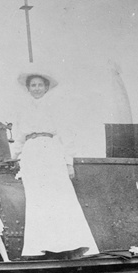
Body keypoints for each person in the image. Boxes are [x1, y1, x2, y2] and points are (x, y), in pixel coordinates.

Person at [10, 67, 99, 258]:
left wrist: (69, 162)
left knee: (60, 196)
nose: (36, 88)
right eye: (33, 85)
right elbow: (19, 137)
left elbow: (66, 134)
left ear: (46, 87)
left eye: (40, 85)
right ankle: (41, 247)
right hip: (31, 154)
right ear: (28, 88)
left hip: (50, 151)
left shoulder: (55, 107)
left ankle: (73, 245)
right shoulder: (22, 110)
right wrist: (15, 157)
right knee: (36, 199)